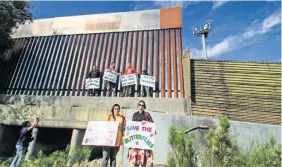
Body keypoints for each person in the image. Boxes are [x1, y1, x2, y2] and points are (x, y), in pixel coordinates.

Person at [128, 100, 154, 167]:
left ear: (144, 107)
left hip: (143, 140)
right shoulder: (134, 114)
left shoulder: (146, 114)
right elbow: (132, 126)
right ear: (137, 106)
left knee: (143, 160)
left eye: (142, 105)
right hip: (136, 139)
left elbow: (152, 124)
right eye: (140, 105)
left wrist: (146, 122)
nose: (141, 106)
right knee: (135, 160)